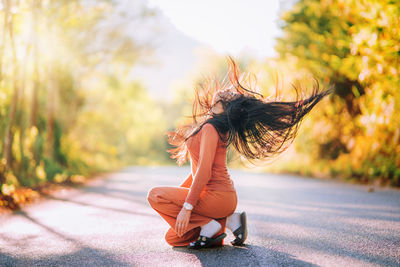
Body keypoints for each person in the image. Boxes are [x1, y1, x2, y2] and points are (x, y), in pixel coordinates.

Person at [147, 56, 333, 249]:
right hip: (217, 199)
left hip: (217, 196)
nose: (227, 91)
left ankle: (209, 224)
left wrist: (187, 206)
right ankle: (228, 222)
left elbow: (204, 171)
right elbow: (196, 173)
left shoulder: (211, 128)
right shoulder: (213, 126)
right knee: (174, 238)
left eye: (229, 95)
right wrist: (180, 197)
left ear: (226, 107)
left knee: (155, 195)